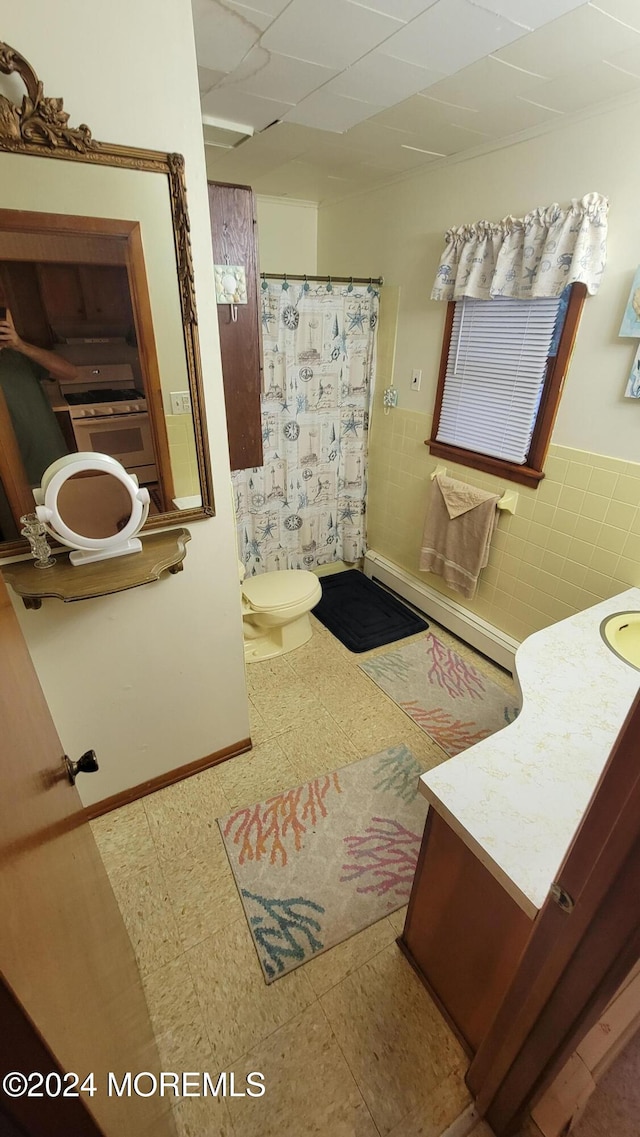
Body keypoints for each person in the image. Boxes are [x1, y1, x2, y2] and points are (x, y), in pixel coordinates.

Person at [0, 308, 78, 486]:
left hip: (47, 460)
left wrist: (20, 345)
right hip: (8, 473)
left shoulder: (16, 354)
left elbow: (70, 372)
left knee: (59, 510)